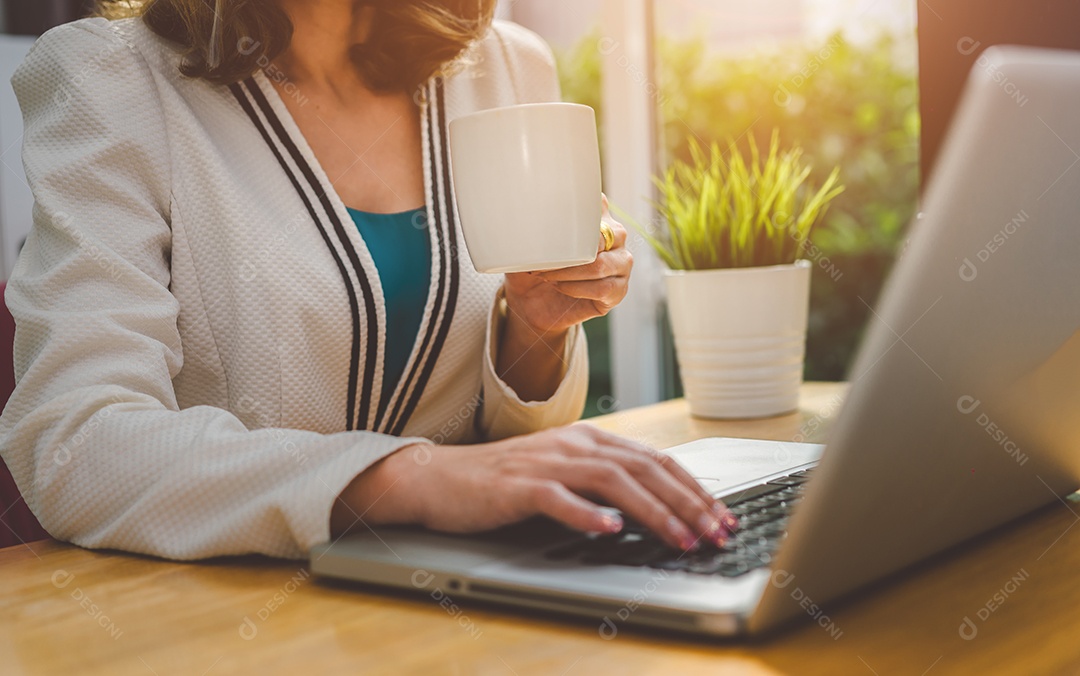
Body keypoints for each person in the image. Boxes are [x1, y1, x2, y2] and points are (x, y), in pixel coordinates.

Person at [0, 0, 735, 561]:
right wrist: (412, 480)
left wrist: (536, 327)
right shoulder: (109, 77)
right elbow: (74, 445)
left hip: (476, 601)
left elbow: (514, 446)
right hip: (231, 628)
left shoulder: (506, 66)